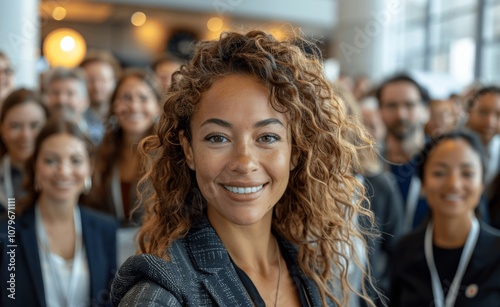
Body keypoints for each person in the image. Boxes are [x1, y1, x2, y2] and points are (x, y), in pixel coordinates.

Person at [111, 30, 378, 307]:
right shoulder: (158, 296)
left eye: (267, 137)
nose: (244, 162)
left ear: (295, 151)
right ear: (188, 149)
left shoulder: (314, 266)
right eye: (218, 138)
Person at [0, 119, 117, 306]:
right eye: (51, 160)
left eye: (75, 160)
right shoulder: (7, 230)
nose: (63, 170)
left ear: (89, 168)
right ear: (34, 167)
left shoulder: (105, 228)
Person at [389, 130, 500, 306]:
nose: (453, 185)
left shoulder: (496, 253)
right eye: (440, 173)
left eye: (467, 173)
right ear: (423, 184)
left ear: (481, 185)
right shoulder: (404, 250)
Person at [83, 69, 161, 226]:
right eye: (126, 98)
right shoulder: (101, 152)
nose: (133, 106)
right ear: (114, 106)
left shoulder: (170, 156)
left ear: (157, 107)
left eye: (143, 98)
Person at [377, 74, 430, 233]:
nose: (401, 114)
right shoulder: (368, 164)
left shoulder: (442, 162)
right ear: (380, 111)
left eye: (409, 105)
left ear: (425, 111)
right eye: (391, 106)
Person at [0, 89, 48, 212]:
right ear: (2, 130)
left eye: (34, 125)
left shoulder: (60, 176)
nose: (25, 135)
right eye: (15, 126)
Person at [45, 67, 105, 145]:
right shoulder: (36, 133)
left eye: (70, 93)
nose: (61, 100)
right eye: (56, 93)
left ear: (85, 102)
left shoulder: (101, 137)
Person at [80, 50, 121, 121]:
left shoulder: (123, 120)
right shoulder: (73, 119)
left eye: (103, 80)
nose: (97, 86)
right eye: (90, 80)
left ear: (115, 81)